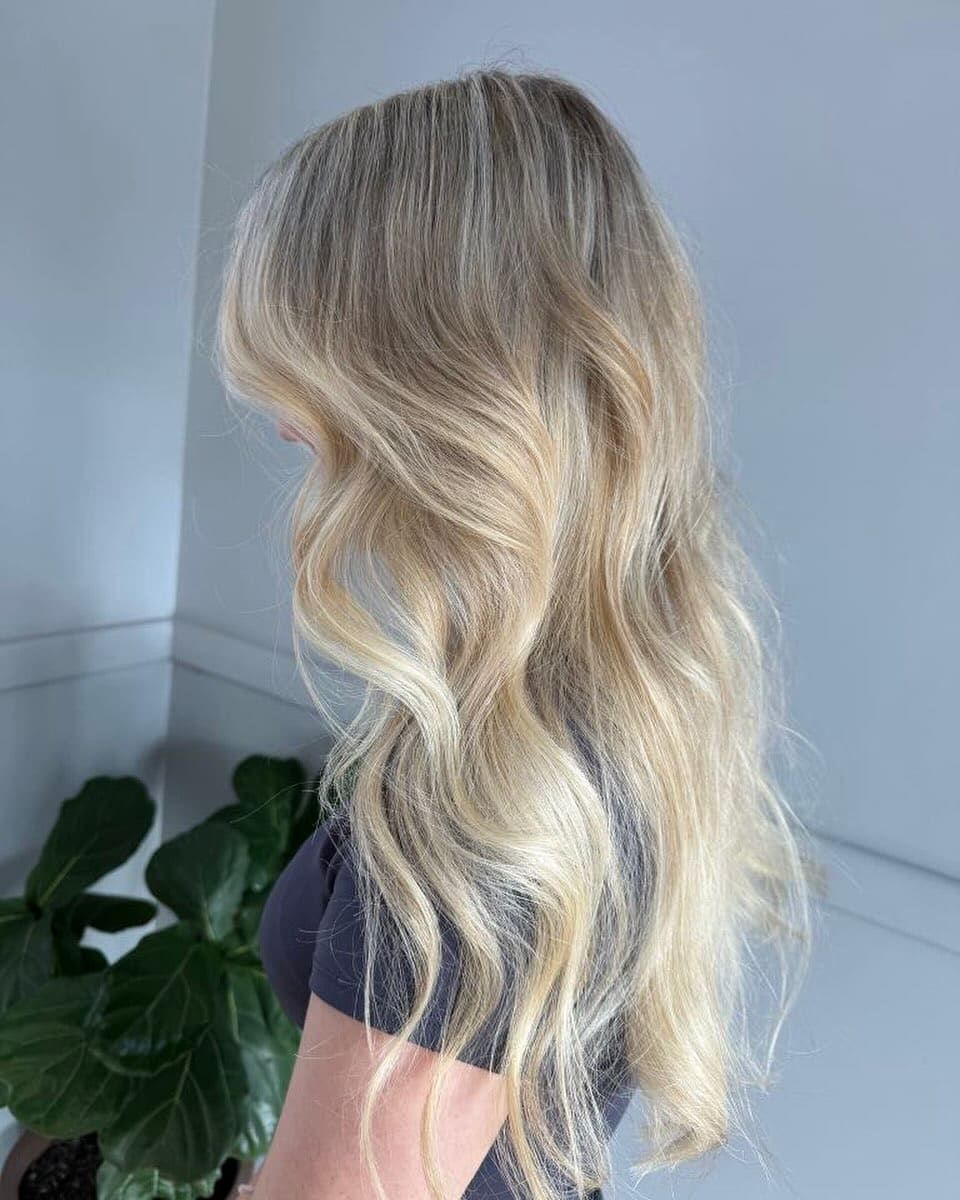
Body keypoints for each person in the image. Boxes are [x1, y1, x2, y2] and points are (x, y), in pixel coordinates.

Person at [214, 67, 819, 1200]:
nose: (285, 421)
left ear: (425, 391)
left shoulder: (485, 800)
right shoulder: (621, 696)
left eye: (302, 372)